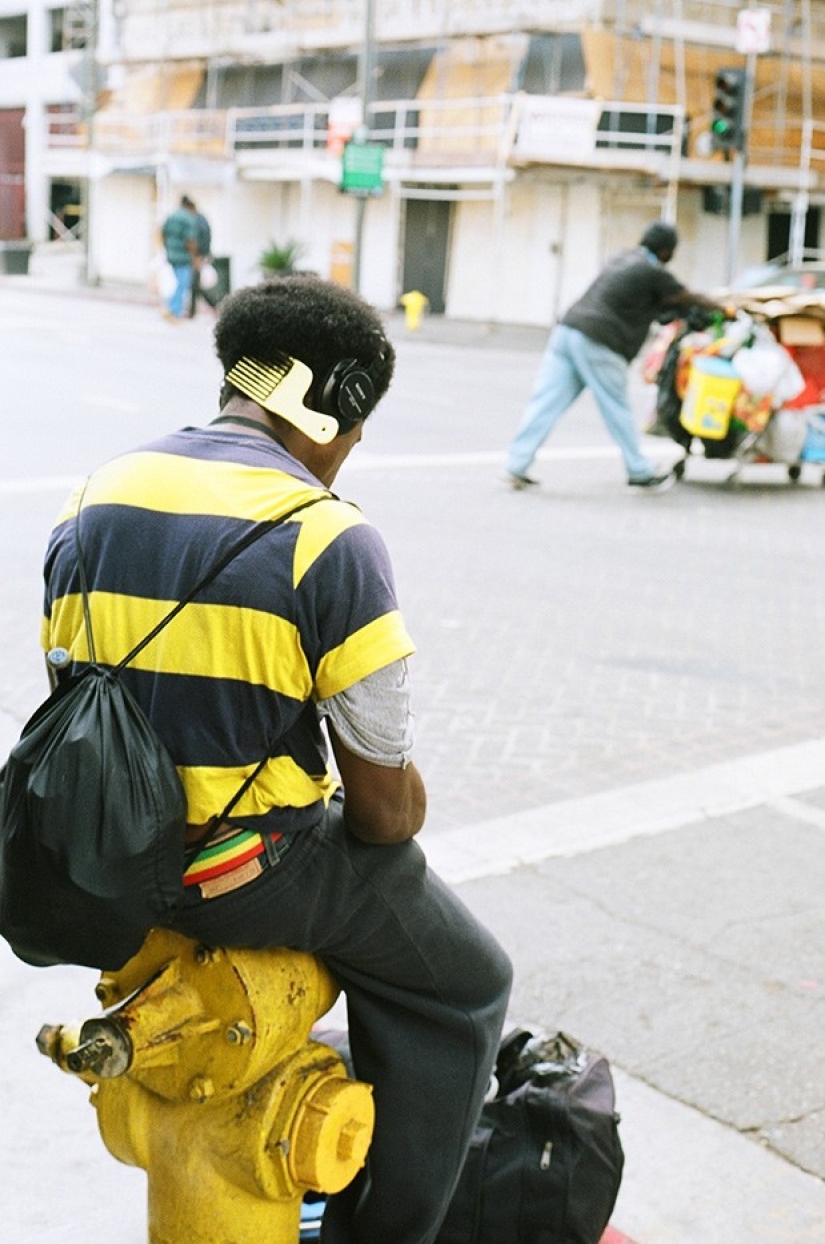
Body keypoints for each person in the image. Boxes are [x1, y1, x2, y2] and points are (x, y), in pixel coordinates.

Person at [41, 275, 513, 1244]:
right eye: (355, 428)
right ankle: (389, 1228)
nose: (347, 454)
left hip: (91, 858)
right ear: (332, 402)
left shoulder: (94, 494)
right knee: (466, 980)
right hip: (237, 874)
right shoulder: (327, 536)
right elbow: (384, 809)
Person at [505, 221, 726, 490]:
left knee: (545, 403)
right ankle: (638, 469)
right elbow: (686, 297)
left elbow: (650, 304)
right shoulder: (653, 272)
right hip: (599, 340)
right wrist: (725, 307)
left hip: (567, 331)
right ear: (666, 250)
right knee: (616, 408)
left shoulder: (623, 258)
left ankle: (516, 463)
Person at [160, 194, 198, 321]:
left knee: (174, 283)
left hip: (171, 254)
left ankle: (169, 307)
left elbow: (162, 233)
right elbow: (190, 240)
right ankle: (173, 310)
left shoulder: (171, 216)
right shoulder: (188, 218)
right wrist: (194, 256)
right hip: (183, 256)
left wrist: (167, 248)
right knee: (182, 284)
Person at [187, 198, 217, 318]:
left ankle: (211, 305)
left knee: (195, 284)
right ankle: (193, 310)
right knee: (195, 284)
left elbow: (201, 239)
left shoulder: (198, 221)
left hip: (198, 257)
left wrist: (200, 256)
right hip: (200, 256)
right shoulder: (200, 219)